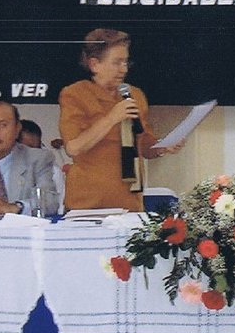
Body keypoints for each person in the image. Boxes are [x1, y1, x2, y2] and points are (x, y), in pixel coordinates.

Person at [58, 28, 181, 211]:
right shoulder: (75, 94)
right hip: (88, 204)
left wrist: (163, 147)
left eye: (125, 62)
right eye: (117, 62)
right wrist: (111, 118)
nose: (124, 69)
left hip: (130, 202)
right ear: (94, 64)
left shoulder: (135, 94)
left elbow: (144, 145)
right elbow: (74, 147)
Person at [18, 118, 66, 212]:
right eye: (26, 148)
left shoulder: (53, 170)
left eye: (36, 148)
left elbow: (58, 207)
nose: (33, 153)